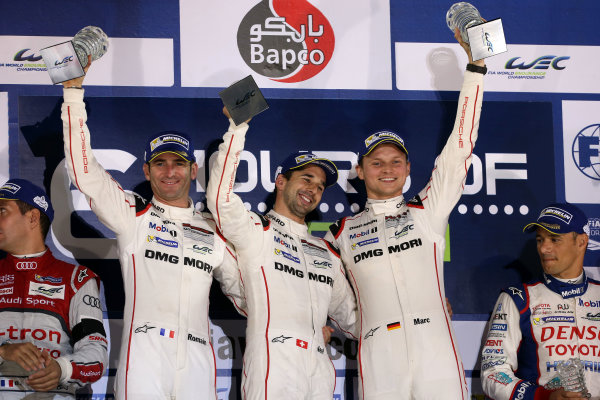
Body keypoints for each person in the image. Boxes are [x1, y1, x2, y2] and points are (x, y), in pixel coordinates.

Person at [60, 60, 246, 400]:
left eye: (178, 163)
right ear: (147, 170)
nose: (170, 171)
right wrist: (73, 95)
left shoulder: (212, 229)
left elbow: (247, 295)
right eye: (160, 163)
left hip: (198, 358)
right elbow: (84, 172)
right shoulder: (134, 213)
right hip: (143, 353)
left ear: (194, 170)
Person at [324, 29, 486, 399]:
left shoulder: (427, 209)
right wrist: (364, 324)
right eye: (376, 162)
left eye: (396, 161)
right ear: (360, 171)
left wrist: (475, 69)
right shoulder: (341, 232)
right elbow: (327, 293)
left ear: (408, 169)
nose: (387, 169)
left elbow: (460, 147)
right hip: (379, 352)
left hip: (435, 347)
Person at [206, 109, 358, 399]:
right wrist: (237, 129)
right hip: (273, 365)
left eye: (320, 186)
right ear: (281, 181)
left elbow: (353, 319)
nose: (313, 189)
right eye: (306, 178)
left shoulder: (326, 252)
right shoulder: (256, 230)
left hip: (319, 369)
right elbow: (219, 199)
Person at [0, 178, 108, 399]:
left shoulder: (77, 279)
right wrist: (3, 350)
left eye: (2, 211)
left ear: (32, 218)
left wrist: (62, 368)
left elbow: (96, 355)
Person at [481, 203, 599, 399]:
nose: (544, 248)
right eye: (539, 239)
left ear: (581, 242)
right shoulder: (518, 298)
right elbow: (493, 373)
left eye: (555, 239)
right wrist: (543, 397)